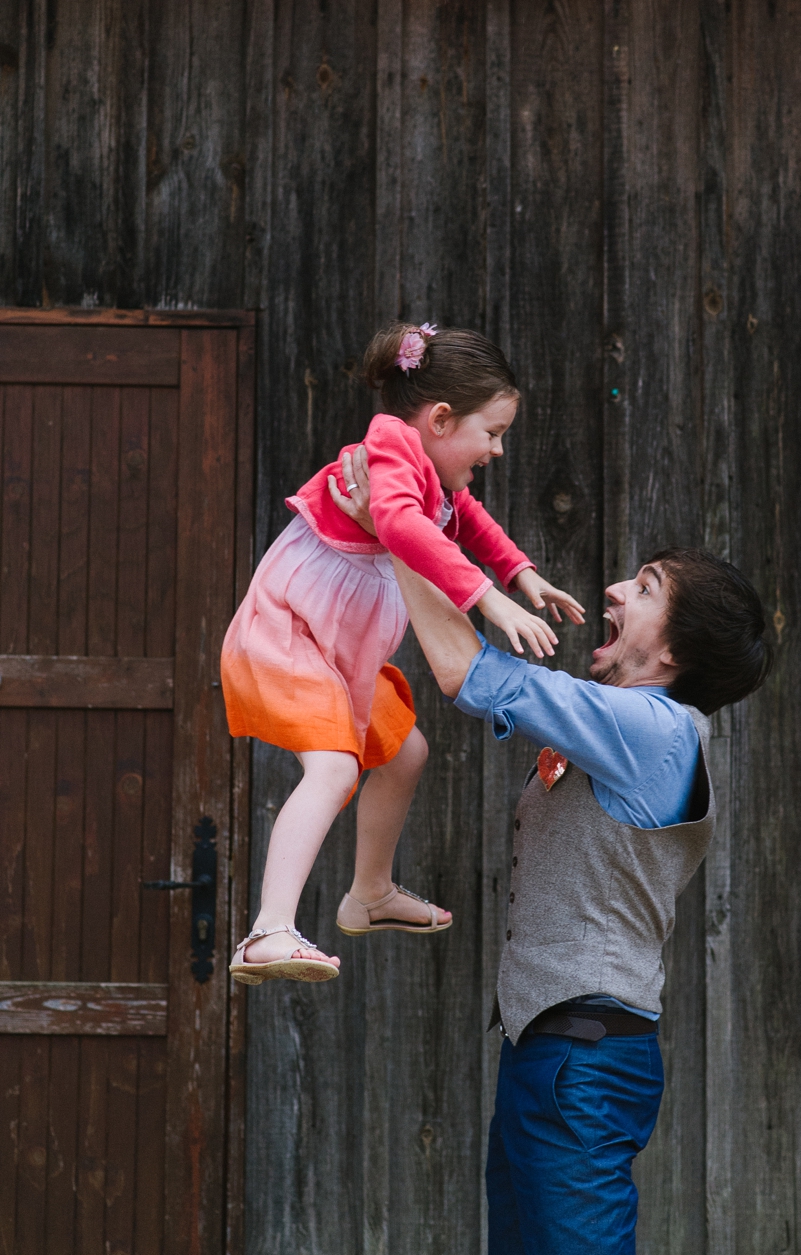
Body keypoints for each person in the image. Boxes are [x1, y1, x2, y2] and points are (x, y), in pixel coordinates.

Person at [331, 456, 771, 1253]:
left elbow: (469, 671)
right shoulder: (624, 727)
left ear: (672, 653)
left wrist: (396, 531)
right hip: (553, 1052)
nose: (614, 591)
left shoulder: (653, 728)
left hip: (583, 1063)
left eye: (644, 589)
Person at [223, 322, 584, 984]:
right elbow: (398, 523)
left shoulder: (429, 470)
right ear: (441, 418)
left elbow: (466, 518)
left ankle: (369, 892)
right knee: (333, 771)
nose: (498, 449)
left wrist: (520, 573)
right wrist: (488, 600)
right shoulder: (390, 443)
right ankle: (267, 929)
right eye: (493, 432)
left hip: (342, 647)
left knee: (405, 753)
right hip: (294, 632)